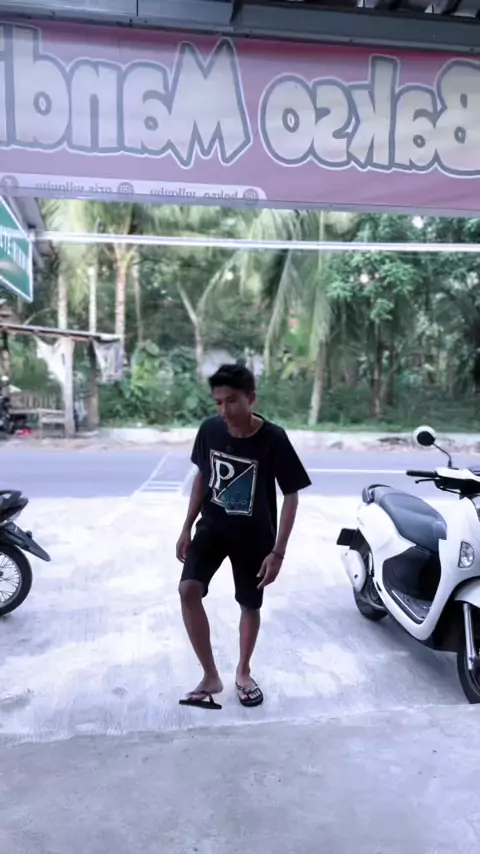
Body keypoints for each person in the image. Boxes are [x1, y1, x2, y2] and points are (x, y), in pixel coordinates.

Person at [176, 362, 311, 710]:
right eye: (218, 402)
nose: (225, 411)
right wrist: (187, 525)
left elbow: (291, 495)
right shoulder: (210, 430)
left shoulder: (273, 439)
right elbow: (202, 477)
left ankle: (243, 672)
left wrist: (278, 552)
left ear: (251, 399)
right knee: (188, 590)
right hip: (212, 528)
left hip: (254, 537)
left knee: (249, 604)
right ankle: (210, 676)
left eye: (232, 401)